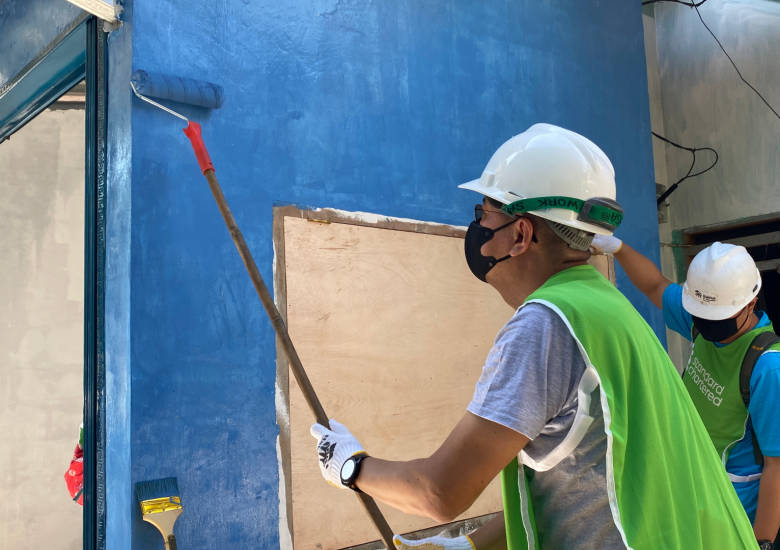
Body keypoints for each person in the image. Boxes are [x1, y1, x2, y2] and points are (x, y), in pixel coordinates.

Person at [309, 124, 756, 550]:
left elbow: (440, 491)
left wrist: (350, 466)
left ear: (521, 233)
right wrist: (470, 544)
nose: (478, 230)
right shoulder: (606, 309)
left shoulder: (546, 324)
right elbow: (582, 477)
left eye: (483, 214)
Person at [592, 234, 780, 549]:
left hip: (733, 515)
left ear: (750, 303)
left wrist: (760, 542)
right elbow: (655, 285)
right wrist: (619, 248)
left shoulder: (767, 368)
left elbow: (777, 467)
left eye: (718, 318)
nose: (707, 325)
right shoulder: (704, 316)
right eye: (700, 316)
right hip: (689, 492)